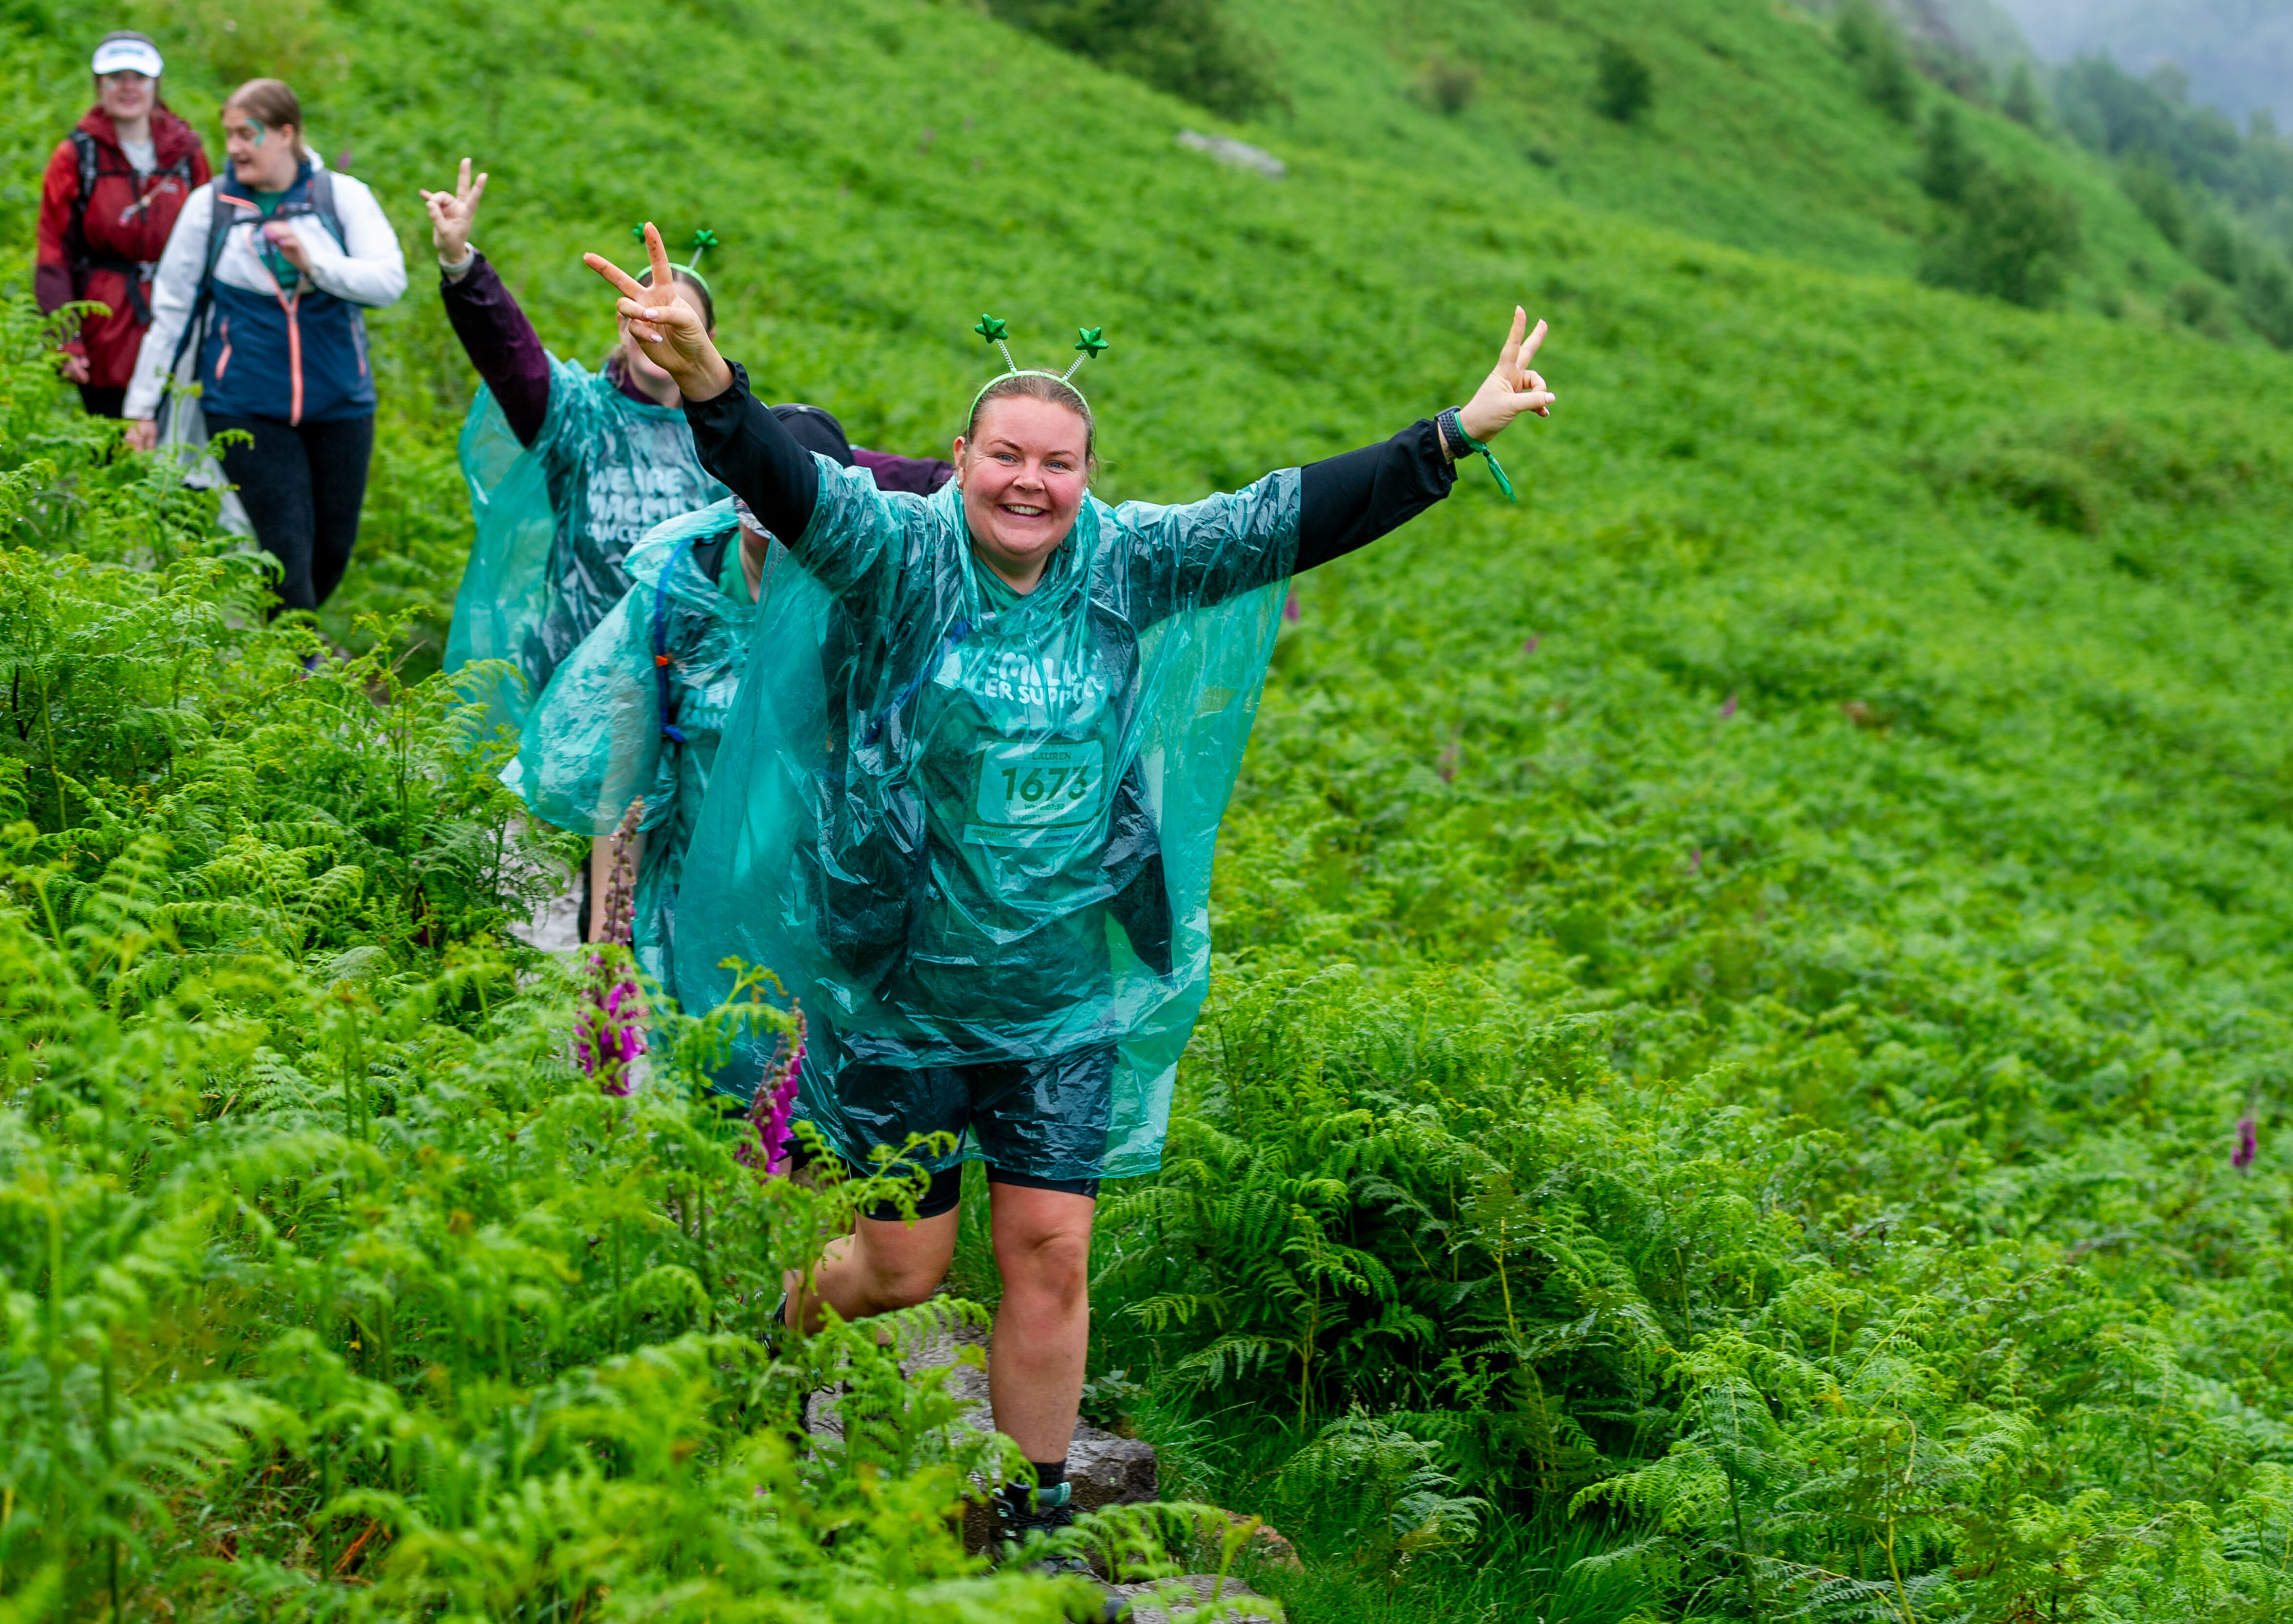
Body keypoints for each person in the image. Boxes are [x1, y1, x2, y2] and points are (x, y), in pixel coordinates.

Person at [587, 225, 1554, 1561]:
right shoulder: (895, 552)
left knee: (1048, 1249)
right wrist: (707, 380)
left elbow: (1290, 513)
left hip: (1056, 989)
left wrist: (1449, 436)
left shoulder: (1129, 560)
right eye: (1006, 455)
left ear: (1087, 479)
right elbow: (780, 478)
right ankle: (778, 1322)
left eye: (1058, 461)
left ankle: (1035, 1513)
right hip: (902, 985)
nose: (1030, 481)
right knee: (902, 1267)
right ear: (962, 462)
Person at [425, 161, 951, 727]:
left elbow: (835, 475)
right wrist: (463, 267)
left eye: (673, 317)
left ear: (705, 337)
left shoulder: (736, 435)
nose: (655, 326)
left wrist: (969, 480)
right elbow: (513, 360)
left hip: (687, 680)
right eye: (641, 312)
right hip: (576, 666)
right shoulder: (575, 414)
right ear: (621, 321)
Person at [507, 404, 859, 994]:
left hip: (812, 912)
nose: (775, 530)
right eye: (760, 505)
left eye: (795, 509)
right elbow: (625, 782)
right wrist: (606, 936)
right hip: (683, 893)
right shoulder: (676, 601)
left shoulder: (861, 602)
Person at [123, 79, 407, 617]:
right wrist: (142, 408)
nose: (233, 147)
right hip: (245, 406)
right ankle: (297, 671)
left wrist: (316, 265)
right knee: (284, 548)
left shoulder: (340, 196)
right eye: (228, 134)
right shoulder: (211, 208)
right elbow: (173, 313)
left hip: (341, 404)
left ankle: (281, 647)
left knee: (331, 550)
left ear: (286, 133)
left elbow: (388, 281)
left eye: (247, 134)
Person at [35, 33, 207, 419]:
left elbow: (213, 237)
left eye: (139, 78)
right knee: (112, 443)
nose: (128, 88)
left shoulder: (185, 154)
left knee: (176, 438)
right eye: (116, 78)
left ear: (155, 85)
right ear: (99, 86)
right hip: (107, 323)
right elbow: (54, 253)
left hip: (175, 312)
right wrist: (66, 341)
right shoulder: (77, 156)